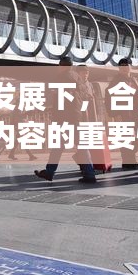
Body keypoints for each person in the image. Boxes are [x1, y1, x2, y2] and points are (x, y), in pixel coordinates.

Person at [34, 56, 97, 184]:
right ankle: (88, 173)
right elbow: (85, 97)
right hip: (77, 116)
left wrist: (57, 96)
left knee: (59, 146)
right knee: (77, 146)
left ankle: (51, 172)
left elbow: (66, 97)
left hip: (66, 118)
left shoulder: (62, 77)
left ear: (61, 66)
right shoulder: (78, 78)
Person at [105, 58, 138, 169]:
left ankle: (130, 159)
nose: (124, 68)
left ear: (130, 66)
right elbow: (108, 97)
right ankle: (128, 161)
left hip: (136, 114)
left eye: (126, 65)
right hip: (123, 114)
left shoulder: (134, 80)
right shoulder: (116, 81)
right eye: (122, 66)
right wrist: (114, 114)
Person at [8, 94, 37, 162]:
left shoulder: (18, 109)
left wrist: (26, 114)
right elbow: (18, 118)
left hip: (19, 125)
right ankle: (30, 155)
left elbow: (20, 117)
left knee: (17, 140)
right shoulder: (16, 109)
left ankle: (11, 154)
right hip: (18, 126)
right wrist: (26, 114)